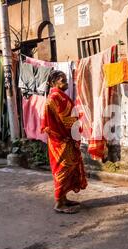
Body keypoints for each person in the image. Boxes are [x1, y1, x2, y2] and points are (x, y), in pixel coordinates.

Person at [41, 70, 87, 214]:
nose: (66, 82)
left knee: (70, 169)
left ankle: (64, 199)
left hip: (68, 139)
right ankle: (59, 204)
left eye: (66, 79)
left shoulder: (61, 96)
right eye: (62, 80)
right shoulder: (54, 98)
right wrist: (69, 131)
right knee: (62, 170)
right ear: (53, 82)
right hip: (59, 141)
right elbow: (57, 121)